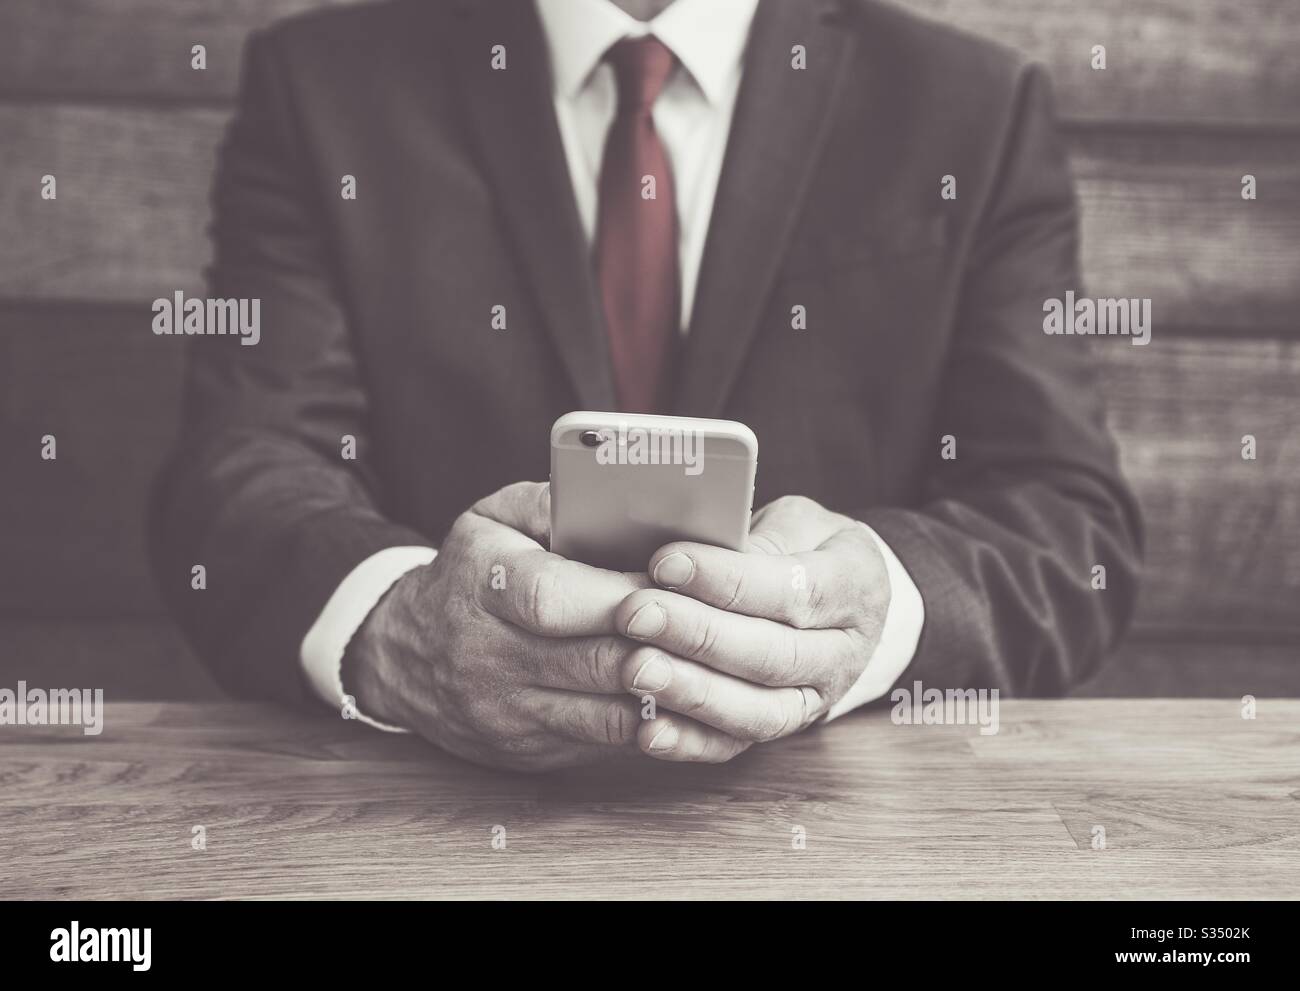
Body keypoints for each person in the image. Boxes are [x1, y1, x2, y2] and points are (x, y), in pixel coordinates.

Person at [151, 0, 1142, 770]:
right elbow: (242, 467)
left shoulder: (969, 109)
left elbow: (1064, 515)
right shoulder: (325, 88)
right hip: (429, 826)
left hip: (843, 835)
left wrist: (871, 607)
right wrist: (397, 622)